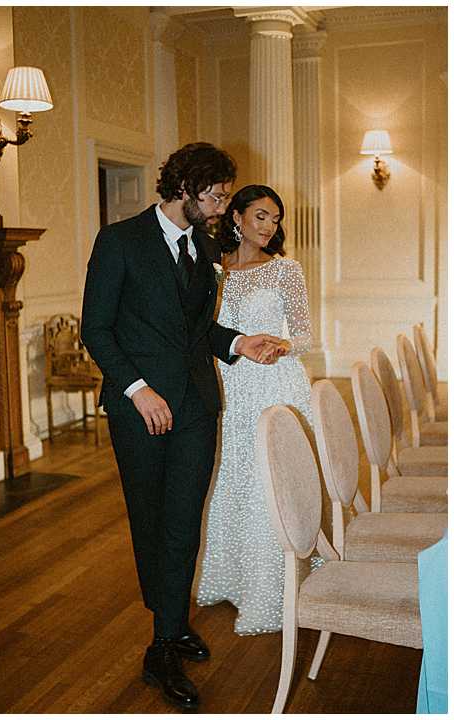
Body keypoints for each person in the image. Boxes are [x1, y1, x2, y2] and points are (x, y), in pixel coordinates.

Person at [80, 142, 287, 710]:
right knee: (151, 522)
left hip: (197, 405)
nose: (223, 207)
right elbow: (96, 329)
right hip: (138, 411)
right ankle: (165, 633)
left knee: (183, 519)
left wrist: (239, 342)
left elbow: (198, 331)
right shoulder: (118, 241)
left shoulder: (202, 244)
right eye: (217, 196)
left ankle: (166, 631)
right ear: (185, 190)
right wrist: (137, 388)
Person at [197, 184, 314, 635]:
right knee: (235, 477)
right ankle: (236, 577)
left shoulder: (286, 270)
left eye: (275, 219)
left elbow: (305, 334)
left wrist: (283, 344)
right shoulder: (214, 270)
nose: (269, 226)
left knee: (273, 478)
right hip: (230, 384)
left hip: (275, 382)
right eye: (261, 216)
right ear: (237, 218)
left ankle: (276, 585)